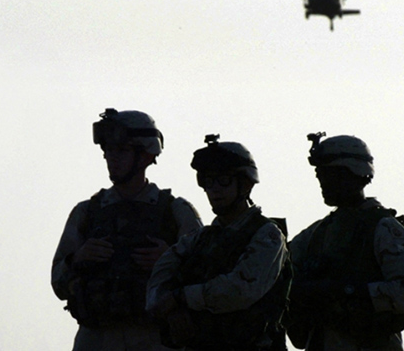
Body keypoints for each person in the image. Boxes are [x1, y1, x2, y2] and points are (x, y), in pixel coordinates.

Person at [52, 109, 203, 351]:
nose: (112, 158)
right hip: (96, 339)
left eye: (122, 150)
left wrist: (170, 262)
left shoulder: (175, 212)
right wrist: (77, 259)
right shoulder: (87, 213)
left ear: (146, 155)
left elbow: (206, 279)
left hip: (155, 338)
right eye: (108, 150)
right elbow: (57, 281)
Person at [147, 134, 290, 351]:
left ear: (245, 185)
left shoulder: (267, 235)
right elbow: (159, 279)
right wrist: (172, 310)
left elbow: (240, 290)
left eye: (224, 180)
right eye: (208, 181)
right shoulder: (198, 239)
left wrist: (182, 297)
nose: (214, 189)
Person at [285, 133, 404, 351]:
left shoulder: (383, 228)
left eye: (330, 174)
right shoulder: (316, 234)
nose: (323, 182)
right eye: (320, 175)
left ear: (354, 174)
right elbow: (279, 272)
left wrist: (347, 291)